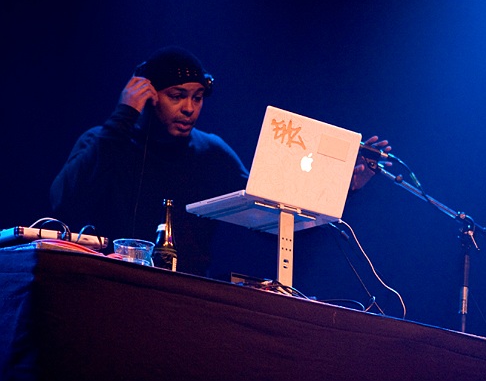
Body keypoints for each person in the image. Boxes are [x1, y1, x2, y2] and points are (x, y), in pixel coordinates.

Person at [50, 46, 390, 279]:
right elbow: (64, 203)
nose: (189, 108)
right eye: (177, 96)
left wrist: (344, 189)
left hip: (186, 302)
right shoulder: (107, 140)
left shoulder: (212, 153)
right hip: (110, 286)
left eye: (197, 98)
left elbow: (277, 222)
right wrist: (123, 116)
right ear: (147, 94)